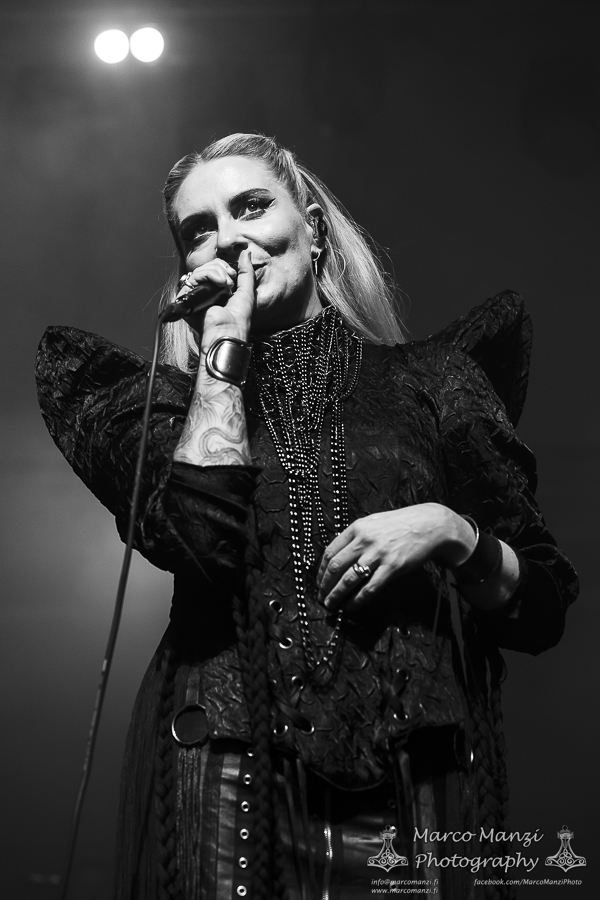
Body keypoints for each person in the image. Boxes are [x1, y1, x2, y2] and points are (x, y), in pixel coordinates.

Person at [36, 133, 578, 900]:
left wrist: (450, 530)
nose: (229, 238)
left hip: (413, 781)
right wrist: (224, 348)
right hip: (226, 775)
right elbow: (199, 541)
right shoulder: (162, 407)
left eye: (252, 206)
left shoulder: (434, 381)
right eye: (200, 230)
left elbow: (541, 609)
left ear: (314, 227)